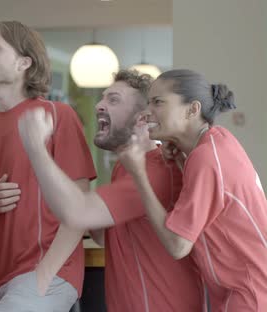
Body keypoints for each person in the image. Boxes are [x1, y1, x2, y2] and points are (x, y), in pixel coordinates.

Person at [17, 69, 205, 311]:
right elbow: (105, 237)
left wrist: (36, 148)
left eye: (113, 100)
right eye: (103, 98)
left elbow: (77, 213)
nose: (99, 106)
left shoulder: (156, 170)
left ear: (142, 118)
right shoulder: (124, 169)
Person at [0, 20, 96, 311]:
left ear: (24, 62)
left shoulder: (57, 116)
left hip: (47, 277)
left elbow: (80, 207)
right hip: (0, 284)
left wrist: (44, 275)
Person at [118, 69, 267, 310]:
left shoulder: (205, 157)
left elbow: (177, 245)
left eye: (158, 102)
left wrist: (139, 175)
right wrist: (182, 160)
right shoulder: (218, 142)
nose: (147, 112)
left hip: (249, 297)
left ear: (192, 109)